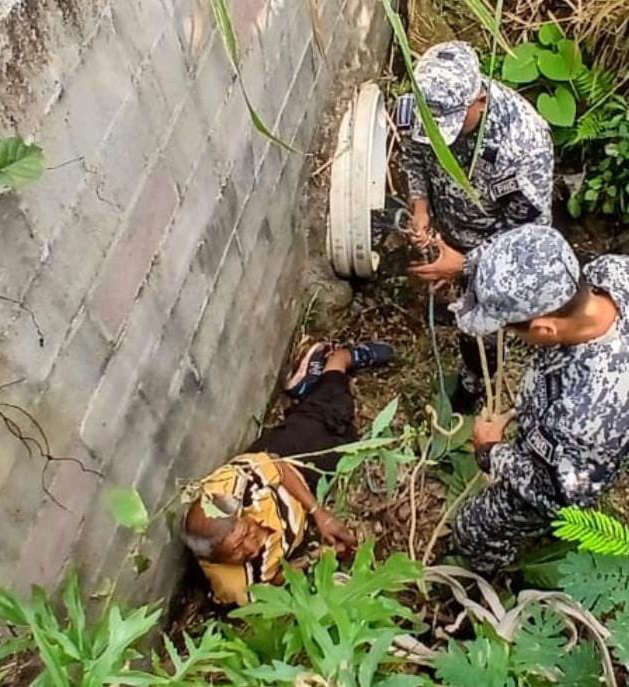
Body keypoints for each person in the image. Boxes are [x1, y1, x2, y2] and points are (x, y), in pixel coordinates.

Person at [447, 224, 629, 573]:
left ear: (544, 329)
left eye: (508, 327)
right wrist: (467, 264)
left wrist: (491, 453)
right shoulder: (623, 275)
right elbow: (535, 254)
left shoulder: (591, 413)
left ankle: (489, 574)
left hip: (573, 467)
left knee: (473, 529)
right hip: (572, 422)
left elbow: (557, 494)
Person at [395, 40, 554, 413]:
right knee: (455, 303)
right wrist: (420, 206)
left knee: (481, 331)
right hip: (449, 229)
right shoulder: (423, 104)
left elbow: (527, 241)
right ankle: (453, 304)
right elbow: (414, 152)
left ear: (478, 99)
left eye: (447, 125)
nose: (435, 133)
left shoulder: (524, 146)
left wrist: (465, 264)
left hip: (494, 250)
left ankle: (475, 382)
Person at [181, 341, 393, 605]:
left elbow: (277, 466)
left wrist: (320, 515)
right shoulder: (237, 587)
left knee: (334, 413)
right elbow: (273, 579)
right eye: (236, 552)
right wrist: (319, 556)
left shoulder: (234, 487)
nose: (250, 547)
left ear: (241, 513)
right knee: (347, 440)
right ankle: (308, 391)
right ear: (214, 560)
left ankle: (339, 359)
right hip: (300, 497)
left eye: (245, 534)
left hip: (286, 457)